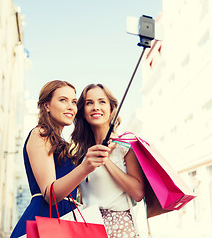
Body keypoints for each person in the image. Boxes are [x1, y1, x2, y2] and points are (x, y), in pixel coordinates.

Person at [10, 80, 111, 238]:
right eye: (63, 100)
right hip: (45, 219)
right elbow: (49, 194)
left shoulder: (62, 144)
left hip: (65, 219)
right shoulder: (40, 134)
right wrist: (85, 167)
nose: (71, 106)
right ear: (47, 105)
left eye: (74, 102)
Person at [70, 84, 145, 238]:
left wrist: (106, 161)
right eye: (89, 103)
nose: (96, 107)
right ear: (83, 112)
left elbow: (138, 193)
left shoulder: (124, 146)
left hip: (119, 227)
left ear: (111, 109)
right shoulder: (82, 155)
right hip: (89, 227)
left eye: (102, 102)